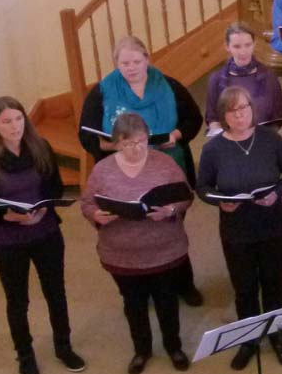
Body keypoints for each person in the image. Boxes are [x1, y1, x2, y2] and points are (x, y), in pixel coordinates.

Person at [78, 35, 203, 306]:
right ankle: (138, 287)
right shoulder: (102, 92)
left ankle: (184, 283)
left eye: (136, 61)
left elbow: (193, 119)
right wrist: (116, 145)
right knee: (129, 229)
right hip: (123, 172)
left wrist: (176, 135)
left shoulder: (168, 85)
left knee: (170, 226)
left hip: (166, 166)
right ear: (116, 63)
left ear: (147, 59)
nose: (131, 67)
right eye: (125, 63)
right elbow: (86, 135)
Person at [0, 97, 85, 374]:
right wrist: (10, 216)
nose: (15, 126)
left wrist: (43, 210)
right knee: (17, 300)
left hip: (46, 233)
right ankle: (25, 356)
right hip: (9, 241)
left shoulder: (40, 147)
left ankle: (64, 347)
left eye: (19, 119)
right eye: (7, 121)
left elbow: (55, 186)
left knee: (55, 292)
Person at [79, 112, 194, 374]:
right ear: (117, 143)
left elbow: (186, 196)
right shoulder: (103, 169)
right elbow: (87, 203)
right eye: (128, 143)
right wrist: (96, 215)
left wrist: (171, 210)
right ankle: (142, 350)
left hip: (165, 251)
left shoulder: (164, 163)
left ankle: (173, 347)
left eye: (141, 141)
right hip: (121, 255)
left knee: (167, 302)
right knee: (134, 304)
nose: (136, 148)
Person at [196, 87, 282, 371]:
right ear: (224, 116)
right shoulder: (213, 149)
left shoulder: (270, 139)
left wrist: (277, 192)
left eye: (244, 108)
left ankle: (277, 335)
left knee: (273, 282)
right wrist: (220, 202)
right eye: (232, 111)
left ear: (252, 109)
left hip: (271, 224)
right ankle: (249, 339)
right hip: (236, 229)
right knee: (244, 287)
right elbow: (203, 187)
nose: (240, 115)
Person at [204, 22, 282, 134]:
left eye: (248, 45)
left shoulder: (269, 76)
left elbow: (277, 119)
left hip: (263, 138)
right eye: (237, 46)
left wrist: (263, 139)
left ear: (254, 44)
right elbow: (213, 119)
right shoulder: (216, 79)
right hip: (229, 140)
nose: (243, 52)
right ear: (227, 47)